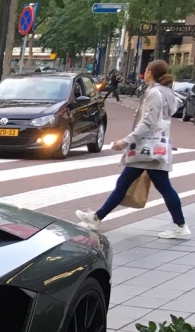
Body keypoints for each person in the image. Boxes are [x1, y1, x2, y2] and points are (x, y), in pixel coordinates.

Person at [76, 60, 189, 240]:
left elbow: (148, 123)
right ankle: (97, 217)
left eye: (146, 70)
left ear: (150, 72)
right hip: (157, 148)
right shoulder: (168, 92)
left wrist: (126, 141)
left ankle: (180, 225)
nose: (144, 73)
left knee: (156, 186)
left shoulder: (154, 93)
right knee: (131, 183)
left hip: (147, 149)